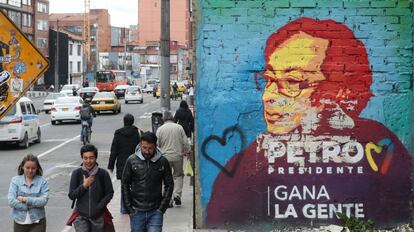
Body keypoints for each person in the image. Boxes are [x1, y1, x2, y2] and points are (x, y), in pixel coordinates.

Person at [206, 17, 412, 229]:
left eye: (292, 82)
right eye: (269, 79)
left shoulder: (380, 144)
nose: (268, 96)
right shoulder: (245, 165)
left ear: (341, 91)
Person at [122, 131, 174, 232]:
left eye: (150, 148)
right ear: (140, 144)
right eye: (144, 147)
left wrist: (162, 208)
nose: (147, 151)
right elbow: (125, 184)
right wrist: (129, 209)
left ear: (155, 146)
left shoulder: (163, 162)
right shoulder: (131, 160)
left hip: (156, 211)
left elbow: (169, 184)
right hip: (136, 211)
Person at [68, 144, 114, 232]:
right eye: (85, 158)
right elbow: (71, 195)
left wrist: (99, 207)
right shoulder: (76, 174)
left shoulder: (103, 174)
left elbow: (109, 193)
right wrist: (84, 186)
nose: (88, 161)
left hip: (99, 217)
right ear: (82, 158)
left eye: (91, 158)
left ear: (96, 158)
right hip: (81, 217)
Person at [108, 113, 141, 214]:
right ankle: (134, 206)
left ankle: (124, 208)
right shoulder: (138, 132)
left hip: (122, 164)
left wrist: (111, 166)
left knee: (124, 186)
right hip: (136, 163)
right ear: (132, 121)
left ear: (124, 121)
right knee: (135, 185)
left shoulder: (118, 134)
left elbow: (114, 151)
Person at [156, 111, 190, 207]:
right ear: (172, 118)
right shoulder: (179, 127)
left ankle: (168, 199)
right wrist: (187, 151)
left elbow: (156, 144)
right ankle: (177, 194)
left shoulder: (160, 129)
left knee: (165, 178)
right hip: (177, 156)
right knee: (178, 175)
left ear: (164, 119)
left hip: (164, 157)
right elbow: (185, 142)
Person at [8, 154, 49, 232]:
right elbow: (11, 201)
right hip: (19, 222)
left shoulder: (42, 181)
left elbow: (43, 200)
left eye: (33, 168)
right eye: (27, 168)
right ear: (23, 167)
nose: (30, 170)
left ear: (37, 168)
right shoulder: (15, 180)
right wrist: (28, 207)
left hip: (38, 222)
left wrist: (25, 199)